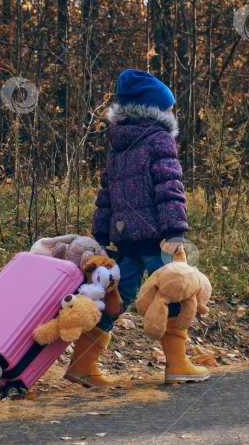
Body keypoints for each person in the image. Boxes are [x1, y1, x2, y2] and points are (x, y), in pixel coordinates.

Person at [63, 69, 210, 387]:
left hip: (125, 240)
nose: (171, 112)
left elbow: (106, 196)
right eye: (168, 107)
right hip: (159, 242)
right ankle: (177, 364)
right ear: (156, 109)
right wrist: (175, 232)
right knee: (174, 292)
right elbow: (169, 187)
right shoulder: (160, 140)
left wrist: (101, 235)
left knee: (114, 297)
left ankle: (82, 363)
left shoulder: (118, 146)